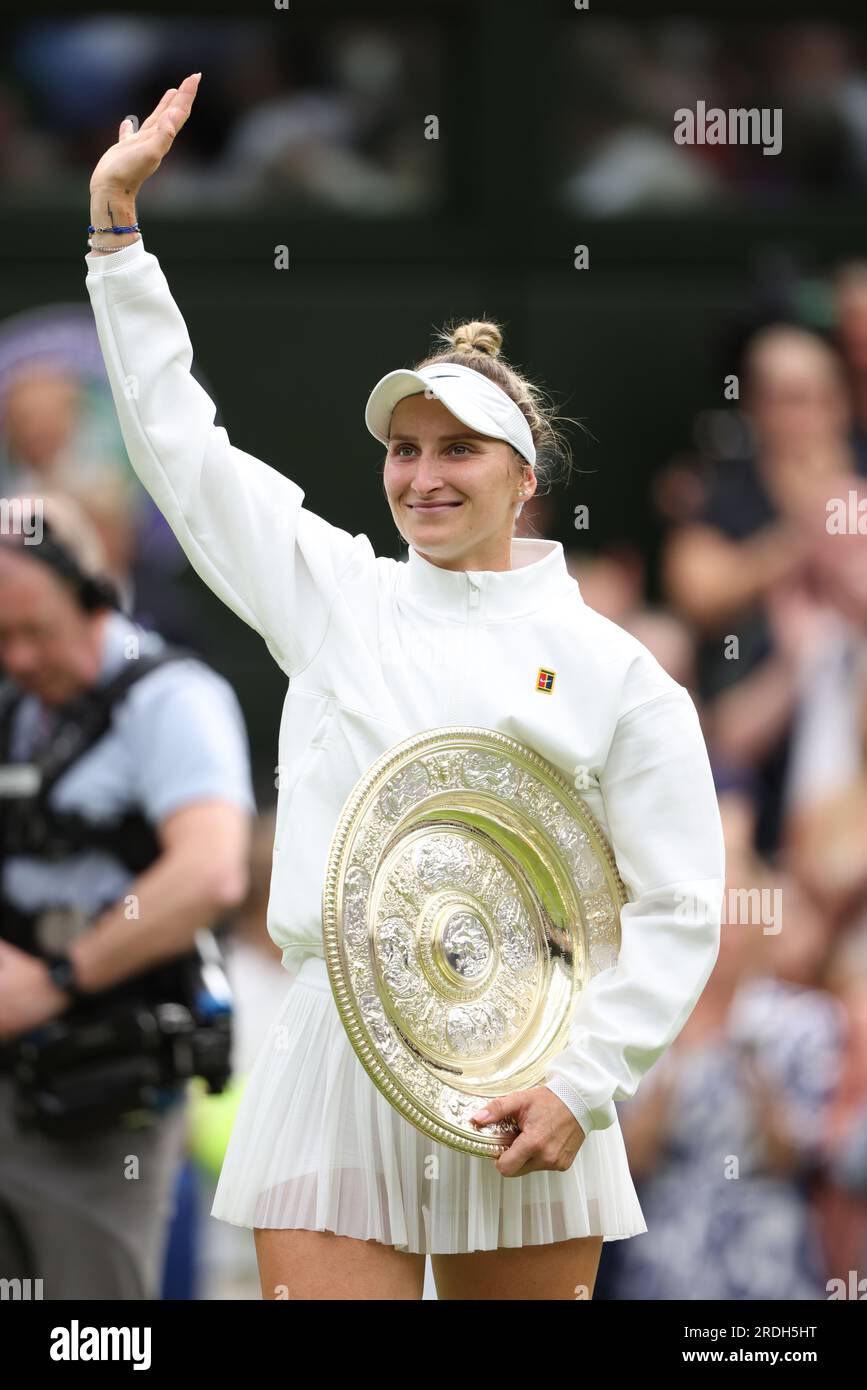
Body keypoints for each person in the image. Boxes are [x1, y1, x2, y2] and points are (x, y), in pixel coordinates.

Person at [83, 74, 725, 1301]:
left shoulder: (619, 675)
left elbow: (684, 902)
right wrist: (118, 235)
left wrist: (583, 1080)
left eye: (457, 449)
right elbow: (179, 445)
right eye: (404, 449)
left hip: (527, 1073)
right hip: (333, 1058)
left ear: (521, 475)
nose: (423, 476)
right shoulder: (336, 593)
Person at [0, 491, 255, 1298]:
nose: (18, 657)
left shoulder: (172, 700)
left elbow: (210, 871)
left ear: (94, 593)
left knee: (94, 1330)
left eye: (34, 630)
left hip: (100, 1083)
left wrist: (55, 980)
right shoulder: (14, 704)